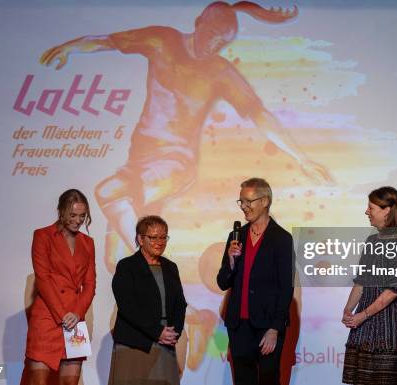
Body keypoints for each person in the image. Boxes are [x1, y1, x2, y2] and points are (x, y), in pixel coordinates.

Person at [39, 1, 332, 272]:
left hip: (175, 162)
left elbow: (260, 115)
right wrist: (71, 46)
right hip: (139, 160)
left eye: (223, 41)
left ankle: (161, 274)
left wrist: (302, 158)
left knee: (122, 198)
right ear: (198, 22)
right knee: (113, 250)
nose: (214, 44)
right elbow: (109, 40)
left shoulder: (219, 71)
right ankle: (157, 296)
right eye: (213, 34)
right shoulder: (162, 40)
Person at [216, 177, 294, 385]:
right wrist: (231, 262)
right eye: (241, 201)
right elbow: (223, 282)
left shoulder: (281, 238)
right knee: (242, 379)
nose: (243, 207)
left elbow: (286, 287)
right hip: (238, 326)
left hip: (267, 325)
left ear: (265, 201)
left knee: (268, 378)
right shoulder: (236, 236)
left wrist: (274, 329)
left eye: (248, 201)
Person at [342, 186, 397, 385]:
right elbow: (361, 281)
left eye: (371, 208)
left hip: (386, 329)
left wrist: (362, 315)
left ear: (387, 210)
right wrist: (349, 309)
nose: (367, 212)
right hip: (364, 328)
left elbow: (392, 291)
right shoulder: (371, 240)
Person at [25, 189, 96, 385]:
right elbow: (43, 278)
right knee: (39, 382)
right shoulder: (43, 236)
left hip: (75, 319)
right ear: (61, 211)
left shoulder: (88, 243)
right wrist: (62, 313)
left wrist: (77, 312)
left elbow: (90, 284)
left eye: (82, 216)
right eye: (72, 215)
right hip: (48, 317)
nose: (78, 220)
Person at [109, 215, 187, 385]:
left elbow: (180, 304)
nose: (160, 242)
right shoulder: (127, 266)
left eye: (163, 237)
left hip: (165, 342)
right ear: (140, 239)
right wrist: (156, 331)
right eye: (153, 237)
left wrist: (174, 333)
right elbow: (127, 306)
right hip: (135, 344)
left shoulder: (170, 268)